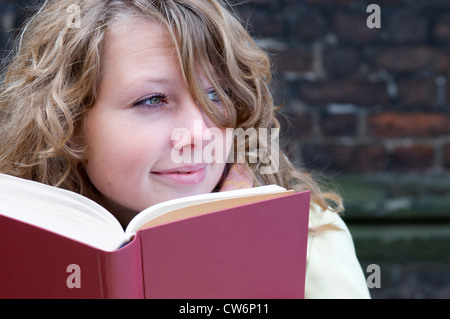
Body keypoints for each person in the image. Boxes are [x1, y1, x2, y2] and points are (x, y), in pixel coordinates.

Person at [0, 0, 370, 298]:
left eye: (216, 95)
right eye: (153, 99)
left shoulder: (311, 244)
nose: (199, 134)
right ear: (68, 123)